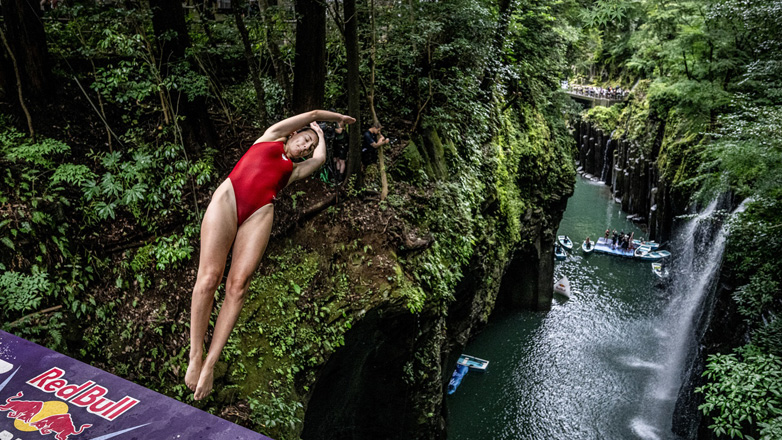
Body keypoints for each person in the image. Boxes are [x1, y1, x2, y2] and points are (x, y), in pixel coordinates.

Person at [186, 109, 356, 401]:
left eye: (309, 146)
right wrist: (330, 120)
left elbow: (319, 161)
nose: (306, 147)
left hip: (260, 212)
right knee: (210, 277)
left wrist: (321, 140)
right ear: (293, 134)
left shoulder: (292, 171)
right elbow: (312, 112)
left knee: (238, 286)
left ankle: (210, 365)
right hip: (230, 199)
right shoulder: (272, 137)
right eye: (304, 140)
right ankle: (195, 354)